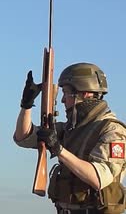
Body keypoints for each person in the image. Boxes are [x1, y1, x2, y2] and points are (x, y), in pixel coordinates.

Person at [14, 62, 126, 214]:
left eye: (66, 93)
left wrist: (59, 150)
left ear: (84, 93)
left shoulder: (112, 130)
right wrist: (26, 105)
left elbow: (98, 178)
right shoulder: (70, 128)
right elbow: (23, 137)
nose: (62, 100)